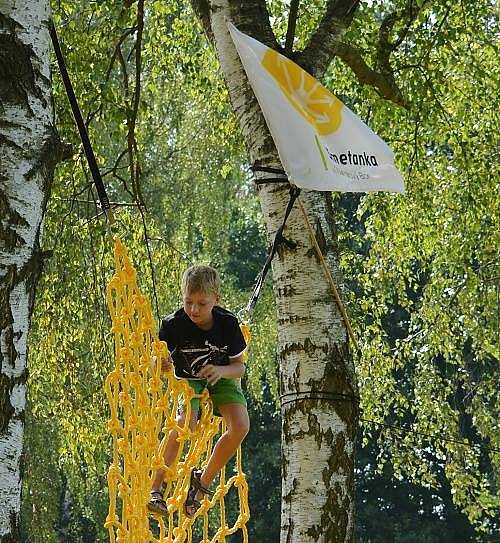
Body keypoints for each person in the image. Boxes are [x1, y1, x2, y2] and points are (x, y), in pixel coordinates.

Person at [147, 265, 250, 518]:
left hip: (220, 376)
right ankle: (156, 488)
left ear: (216, 299)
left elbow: (239, 367)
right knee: (186, 424)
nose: (194, 309)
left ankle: (201, 482)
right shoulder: (172, 326)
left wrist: (220, 371)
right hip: (188, 380)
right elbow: (154, 362)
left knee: (240, 426)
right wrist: (160, 364)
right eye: (188, 302)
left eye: (201, 303)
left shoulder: (227, 324)